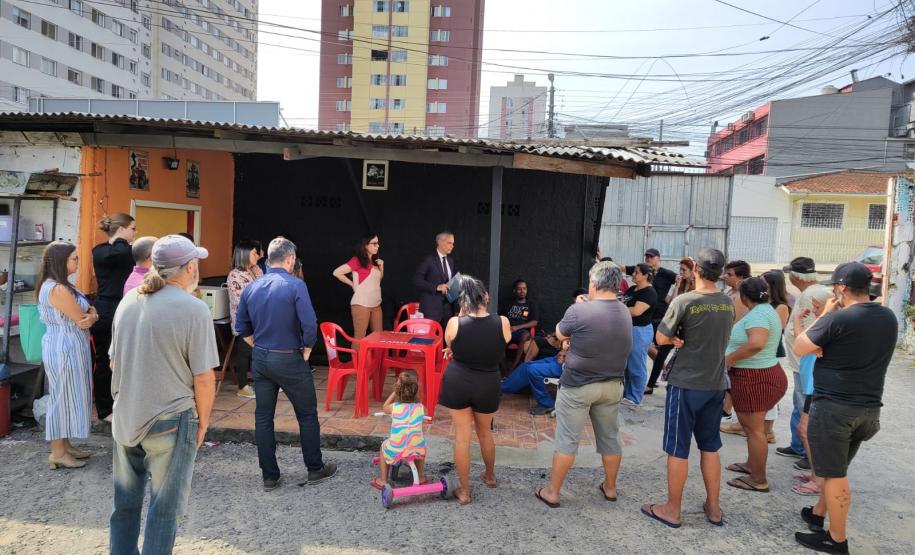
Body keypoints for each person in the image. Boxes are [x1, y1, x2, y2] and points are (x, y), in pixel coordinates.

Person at [108, 235, 217, 555]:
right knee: (164, 510)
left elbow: (115, 361)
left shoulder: (128, 300)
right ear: (190, 268)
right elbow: (204, 379)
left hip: (127, 416)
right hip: (171, 418)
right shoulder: (194, 309)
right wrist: (202, 425)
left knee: (124, 507)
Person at [792, 262, 897, 554]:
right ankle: (818, 513)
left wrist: (824, 315)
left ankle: (836, 540)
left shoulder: (837, 319)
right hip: (868, 408)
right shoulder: (888, 317)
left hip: (835, 408)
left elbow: (800, 346)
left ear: (841, 288)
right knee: (835, 467)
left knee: (835, 474)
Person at [641, 248, 733, 529]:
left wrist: (678, 337)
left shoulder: (685, 301)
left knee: (678, 449)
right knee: (710, 447)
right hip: (716, 384)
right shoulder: (727, 302)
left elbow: (661, 337)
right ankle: (714, 508)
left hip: (686, 384)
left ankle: (673, 509)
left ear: (696, 270)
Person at [235, 237, 337, 491]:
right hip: (289, 356)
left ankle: (269, 476)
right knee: (306, 414)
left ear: (268, 259)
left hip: (261, 357)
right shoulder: (296, 285)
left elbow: (241, 328)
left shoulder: (252, 286)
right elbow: (310, 325)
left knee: (263, 417)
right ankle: (315, 468)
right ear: (290, 259)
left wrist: (258, 345)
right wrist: (306, 350)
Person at [535, 261, 632, 509]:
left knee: (567, 439)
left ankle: (552, 492)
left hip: (578, 384)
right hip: (612, 385)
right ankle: (610, 488)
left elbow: (559, 332)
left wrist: (575, 315)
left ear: (595, 283)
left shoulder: (578, 310)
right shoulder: (624, 311)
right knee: (610, 438)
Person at [438, 276, 510, 505]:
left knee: (462, 437)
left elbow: (452, 346)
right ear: (486, 297)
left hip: (458, 380)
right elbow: (500, 344)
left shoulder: (454, 323)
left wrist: (461, 315)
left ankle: (465, 491)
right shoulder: (503, 322)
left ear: (463, 300)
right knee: (485, 433)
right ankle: (489, 477)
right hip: (488, 382)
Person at [723, 277, 787, 493]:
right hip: (760, 374)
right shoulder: (766, 310)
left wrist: (729, 359)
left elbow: (757, 343)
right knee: (752, 429)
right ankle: (752, 465)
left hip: (754, 378)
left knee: (754, 430)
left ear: (743, 296)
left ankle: (758, 479)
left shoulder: (759, 314)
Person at [37, 242, 97, 470]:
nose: (77, 263)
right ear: (61, 261)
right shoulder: (57, 289)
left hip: (69, 344)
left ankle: (66, 445)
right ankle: (58, 452)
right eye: (74, 259)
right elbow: (82, 318)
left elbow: (86, 315)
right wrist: (91, 315)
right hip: (64, 346)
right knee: (61, 396)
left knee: (69, 394)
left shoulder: (61, 286)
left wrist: (90, 315)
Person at [776, 257, 829, 468]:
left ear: (795, 276)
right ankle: (797, 445)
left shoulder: (811, 295)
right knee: (801, 407)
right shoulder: (813, 292)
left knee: (804, 407)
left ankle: (808, 454)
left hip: (805, 362)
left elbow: (809, 334)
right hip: (802, 361)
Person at [91, 213, 136, 421]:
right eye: (132, 229)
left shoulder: (123, 250)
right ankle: (105, 408)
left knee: (126, 358)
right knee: (105, 359)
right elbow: (118, 253)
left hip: (123, 306)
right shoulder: (103, 251)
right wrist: (120, 239)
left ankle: (122, 402)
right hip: (107, 308)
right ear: (121, 229)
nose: (134, 233)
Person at [646, 257, 696, 394]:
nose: (681, 272)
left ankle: (678, 384)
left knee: (684, 357)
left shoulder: (696, 286)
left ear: (692, 271)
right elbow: (672, 302)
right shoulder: (681, 284)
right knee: (661, 354)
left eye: (684, 270)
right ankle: (650, 385)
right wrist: (676, 286)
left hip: (687, 327)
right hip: (675, 325)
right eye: (680, 269)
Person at [371, 373, 427, 490]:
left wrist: (394, 392)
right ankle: (421, 476)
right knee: (421, 443)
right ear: (416, 390)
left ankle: (383, 480)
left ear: (398, 390)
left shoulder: (394, 407)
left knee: (384, 446)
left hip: (397, 448)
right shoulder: (420, 407)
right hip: (416, 449)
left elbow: (384, 406)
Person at [227, 241, 263, 399]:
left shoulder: (257, 270)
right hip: (245, 320)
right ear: (244, 254)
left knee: (258, 351)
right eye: (254, 252)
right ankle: (242, 386)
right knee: (244, 352)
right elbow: (239, 299)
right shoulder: (235, 275)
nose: (258, 256)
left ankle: (260, 383)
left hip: (259, 319)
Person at [332, 234, 384, 341]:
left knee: (379, 338)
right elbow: (337, 272)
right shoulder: (357, 261)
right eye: (374, 243)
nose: (377, 246)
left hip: (376, 305)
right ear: (365, 245)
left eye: (378, 243)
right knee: (359, 339)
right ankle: (358, 358)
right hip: (361, 305)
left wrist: (381, 268)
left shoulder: (375, 262)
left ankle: (376, 359)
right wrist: (352, 284)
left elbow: (377, 282)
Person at [621, 263, 657, 406]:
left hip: (639, 331)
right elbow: (623, 303)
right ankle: (628, 395)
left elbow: (636, 311)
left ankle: (635, 397)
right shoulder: (632, 289)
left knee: (636, 364)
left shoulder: (649, 293)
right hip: (627, 329)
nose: (633, 275)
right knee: (628, 365)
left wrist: (621, 307)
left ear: (646, 276)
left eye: (636, 272)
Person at [413, 231, 457, 327]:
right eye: (449, 243)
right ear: (440, 242)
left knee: (446, 340)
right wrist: (436, 287)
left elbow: (450, 282)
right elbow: (417, 280)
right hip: (431, 310)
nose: (452, 246)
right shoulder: (429, 260)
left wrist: (458, 286)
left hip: (447, 310)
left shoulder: (451, 261)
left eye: (453, 243)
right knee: (430, 340)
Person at [499, 279, 539, 370]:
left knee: (525, 335)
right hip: (508, 330)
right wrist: (506, 327)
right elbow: (501, 317)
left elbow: (535, 322)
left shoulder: (531, 304)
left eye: (524, 289)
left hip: (521, 331)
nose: (522, 291)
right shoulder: (507, 303)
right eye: (519, 289)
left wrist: (517, 327)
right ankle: (504, 369)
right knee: (498, 338)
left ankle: (514, 366)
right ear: (514, 291)